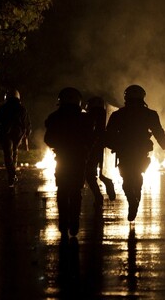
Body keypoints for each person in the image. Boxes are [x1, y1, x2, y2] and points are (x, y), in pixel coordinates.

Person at [104, 84, 165, 222]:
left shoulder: (118, 114)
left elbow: (109, 136)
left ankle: (132, 201)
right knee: (137, 176)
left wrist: (113, 145)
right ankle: (134, 201)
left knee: (127, 179)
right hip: (141, 151)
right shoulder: (149, 114)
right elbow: (159, 132)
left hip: (125, 152)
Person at [44, 87, 99, 239]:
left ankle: (63, 222)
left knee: (62, 190)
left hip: (62, 158)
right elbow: (92, 138)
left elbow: (48, 139)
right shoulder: (85, 119)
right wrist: (85, 148)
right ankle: (74, 222)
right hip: (78, 159)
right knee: (76, 191)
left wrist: (58, 146)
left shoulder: (54, 117)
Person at [0, 88, 31, 187]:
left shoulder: (3, 108)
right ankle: (13, 174)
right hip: (17, 135)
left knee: (8, 155)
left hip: (5, 134)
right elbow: (27, 124)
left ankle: (11, 175)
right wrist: (27, 134)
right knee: (14, 152)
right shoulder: (22, 109)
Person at [85, 96, 116, 201]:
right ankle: (108, 183)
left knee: (89, 175)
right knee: (102, 175)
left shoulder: (88, 117)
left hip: (92, 149)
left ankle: (98, 197)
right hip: (105, 149)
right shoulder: (108, 116)